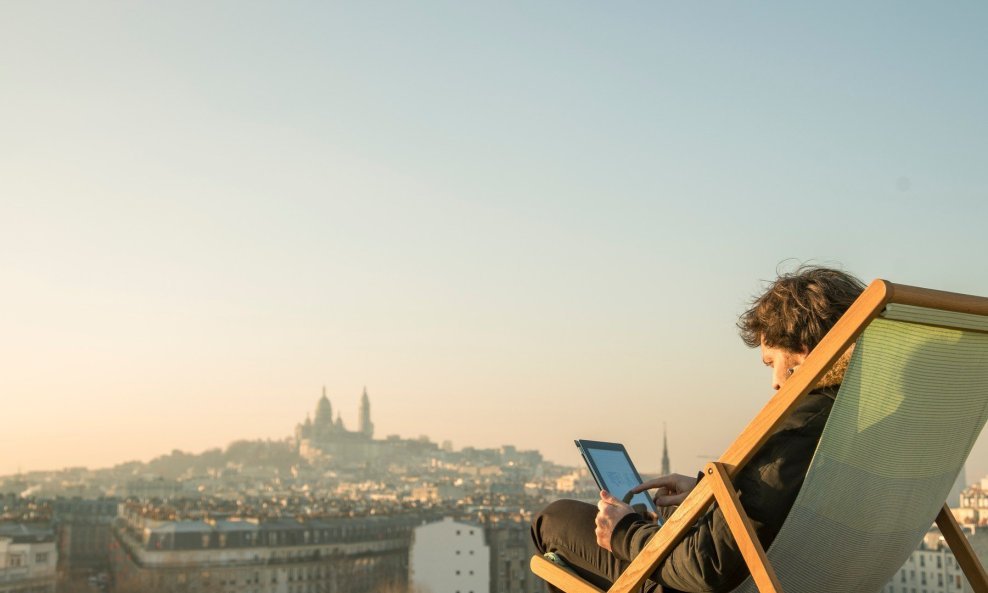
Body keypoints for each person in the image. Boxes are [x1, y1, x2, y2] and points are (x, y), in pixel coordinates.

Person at [531, 266, 866, 593]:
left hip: (702, 582)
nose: (775, 383)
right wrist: (708, 496)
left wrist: (623, 532)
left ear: (802, 352)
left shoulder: (799, 427)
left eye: (772, 363)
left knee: (553, 521)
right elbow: (783, 506)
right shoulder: (859, 424)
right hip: (794, 576)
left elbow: (706, 568)